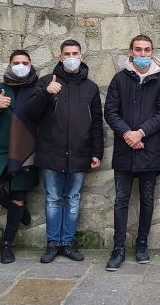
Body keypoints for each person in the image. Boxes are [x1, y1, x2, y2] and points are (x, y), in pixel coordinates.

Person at [27, 40, 104, 264]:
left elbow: (97, 123)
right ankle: (53, 243)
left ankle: (68, 243)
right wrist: (46, 93)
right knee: (52, 198)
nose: (71, 57)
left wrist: (96, 152)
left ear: (81, 56)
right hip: (52, 152)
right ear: (60, 57)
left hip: (80, 153)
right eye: (66, 53)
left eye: (75, 53)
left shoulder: (90, 88)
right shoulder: (46, 82)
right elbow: (31, 112)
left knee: (73, 198)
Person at [103, 35, 160, 271]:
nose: (143, 55)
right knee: (121, 200)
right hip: (125, 150)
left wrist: (141, 133)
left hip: (149, 150)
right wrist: (128, 134)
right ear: (130, 52)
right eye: (138, 50)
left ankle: (142, 244)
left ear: (152, 52)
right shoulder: (119, 79)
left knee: (147, 199)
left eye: (147, 50)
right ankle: (118, 248)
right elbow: (110, 112)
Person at [0, 50, 40, 264]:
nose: (21, 65)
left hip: (26, 150)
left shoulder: (36, 89)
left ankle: (7, 244)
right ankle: (19, 211)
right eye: (16, 62)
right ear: (9, 64)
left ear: (31, 64)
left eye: (24, 62)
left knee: (18, 196)